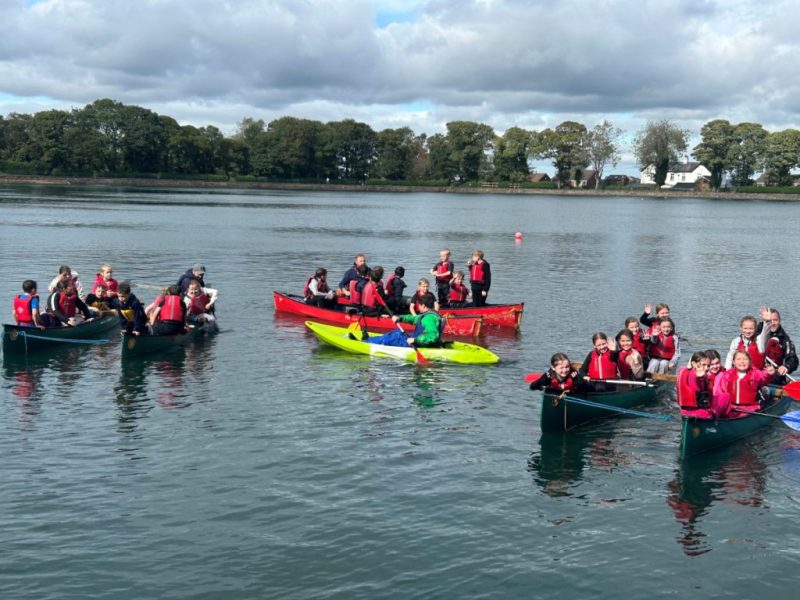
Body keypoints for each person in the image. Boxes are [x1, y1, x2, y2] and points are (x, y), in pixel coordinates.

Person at [713, 350, 775, 418]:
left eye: (745, 359)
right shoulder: (727, 374)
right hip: (731, 408)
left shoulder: (755, 373)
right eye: (738, 359)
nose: (742, 361)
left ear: (750, 361)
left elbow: (764, 377)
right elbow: (721, 391)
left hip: (750, 409)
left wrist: (769, 374)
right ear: (733, 362)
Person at [363, 296, 442, 347]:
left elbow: (433, 335)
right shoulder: (429, 315)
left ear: (423, 306)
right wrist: (399, 318)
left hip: (418, 344)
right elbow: (413, 319)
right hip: (418, 341)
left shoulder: (428, 319)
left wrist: (415, 340)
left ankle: (366, 342)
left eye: (419, 305)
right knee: (397, 332)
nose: (418, 307)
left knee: (395, 336)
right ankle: (370, 339)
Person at [757, 306, 798, 383]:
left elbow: (793, 359)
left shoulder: (785, 339)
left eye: (775, 320)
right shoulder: (755, 333)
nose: (772, 323)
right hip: (756, 372)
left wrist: (786, 366)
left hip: (774, 375)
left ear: (779, 321)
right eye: (770, 320)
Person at [676, 352, 714, 418]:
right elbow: (696, 375)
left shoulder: (700, 376)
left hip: (685, 412)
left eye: (708, 365)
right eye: (703, 365)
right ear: (693, 364)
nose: (706, 368)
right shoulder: (693, 374)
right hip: (694, 412)